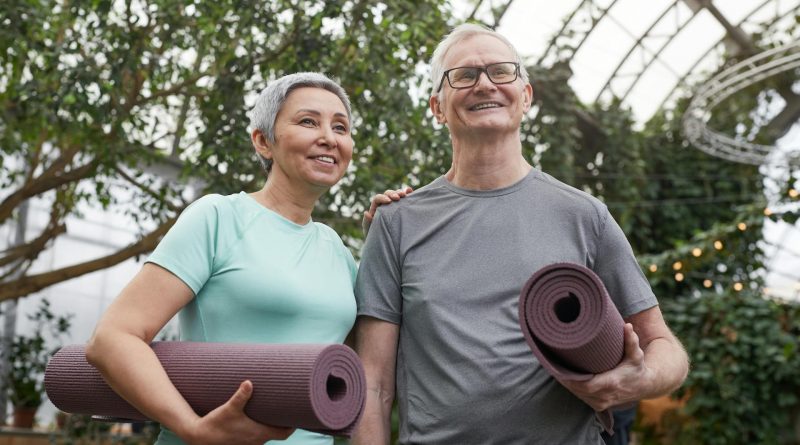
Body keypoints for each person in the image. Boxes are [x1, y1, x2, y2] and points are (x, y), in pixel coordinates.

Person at [352, 24, 689, 444]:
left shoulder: (584, 215)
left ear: (525, 97)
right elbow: (373, 382)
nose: (485, 84)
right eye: (464, 75)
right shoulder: (397, 222)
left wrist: (635, 380)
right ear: (437, 107)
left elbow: (664, 346)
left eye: (501, 72)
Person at [86, 72, 409, 445]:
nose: (328, 137)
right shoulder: (218, 218)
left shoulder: (336, 249)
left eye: (341, 127)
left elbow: (363, 364)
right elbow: (112, 338)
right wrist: (192, 427)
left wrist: (384, 243)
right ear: (263, 141)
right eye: (308, 121)